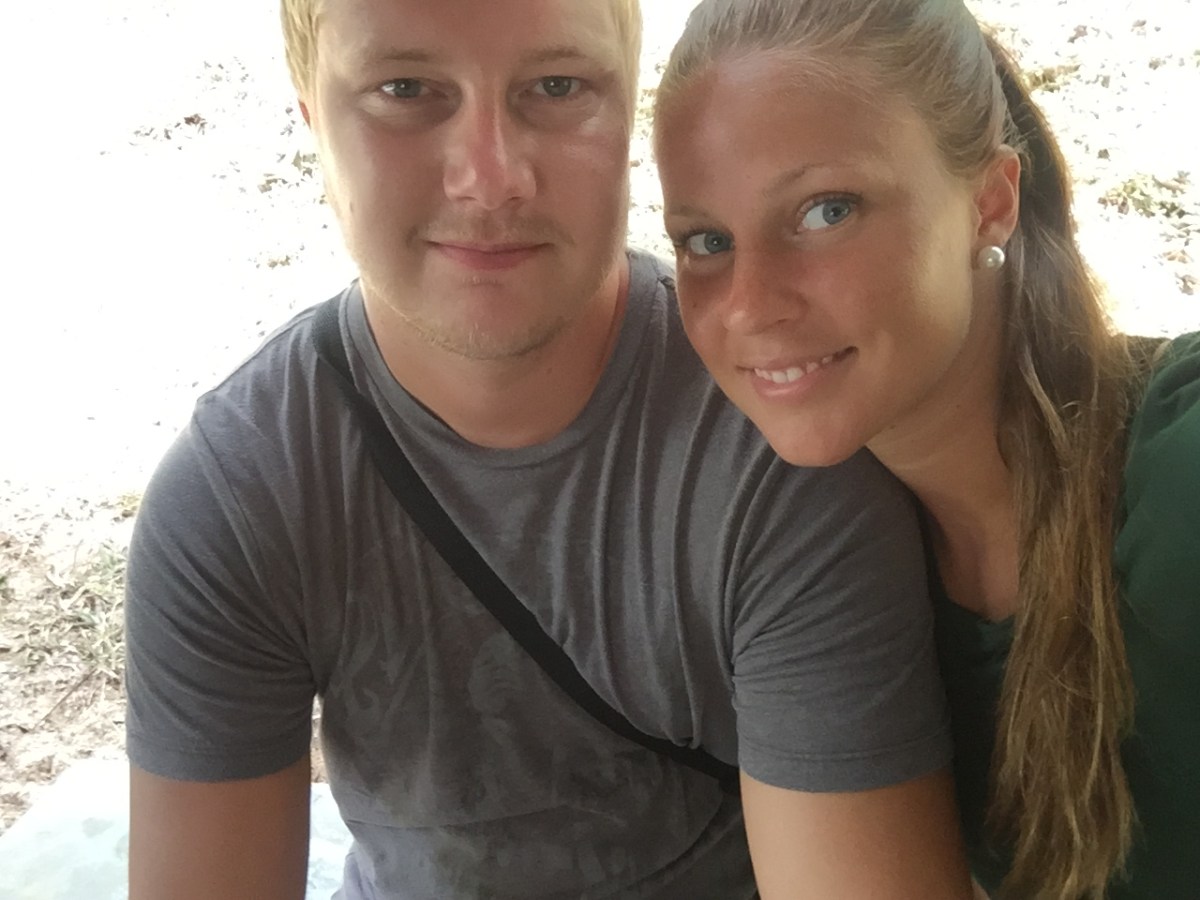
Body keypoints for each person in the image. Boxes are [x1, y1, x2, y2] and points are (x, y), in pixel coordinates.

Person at [122, 1, 978, 897]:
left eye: (557, 87)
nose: (491, 180)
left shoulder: (775, 449)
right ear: (314, 122)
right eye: (405, 89)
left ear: (629, 111)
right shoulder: (241, 498)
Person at [652, 1, 1200, 898]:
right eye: (706, 241)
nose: (749, 304)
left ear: (990, 203)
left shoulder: (1178, 477)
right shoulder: (829, 573)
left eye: (826, 211)